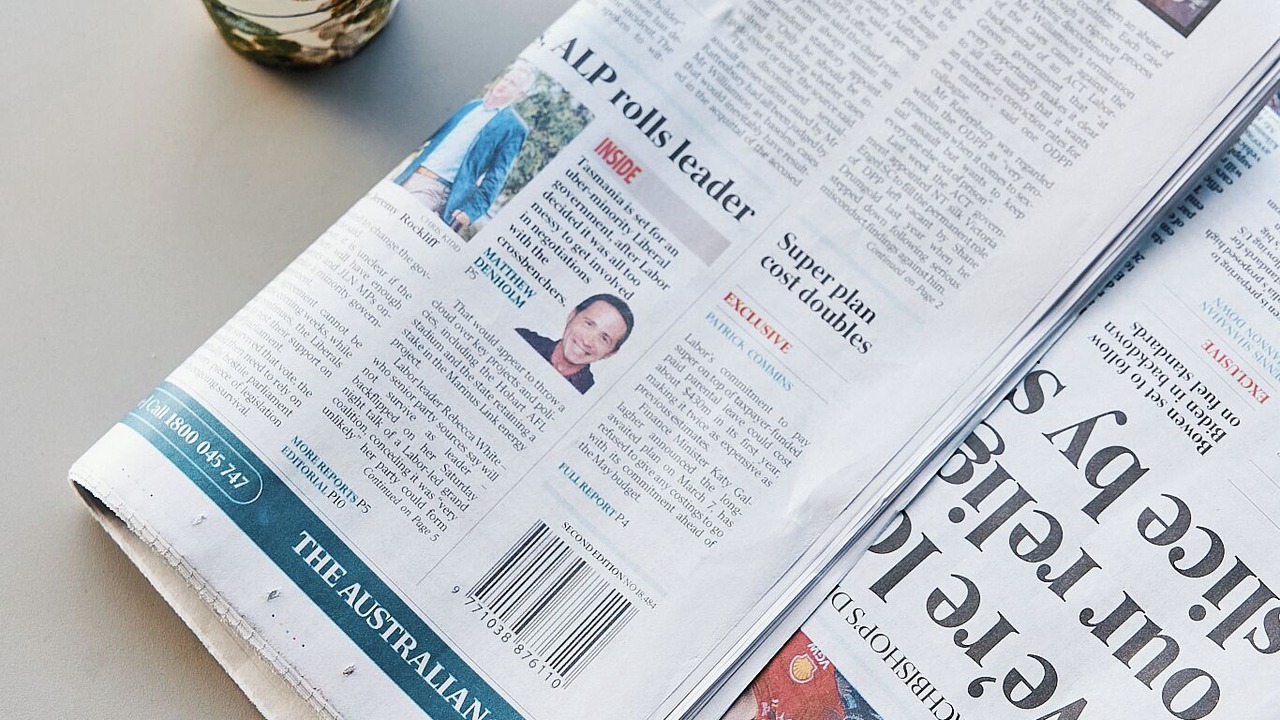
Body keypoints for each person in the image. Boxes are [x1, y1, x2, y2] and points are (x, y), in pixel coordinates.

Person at [394, 64, 534, 232]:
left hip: (437, 189)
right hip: (410, 175)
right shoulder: (470, 106)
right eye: (506, 79)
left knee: (396, 228)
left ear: (521, 94)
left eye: (513, 84)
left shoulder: (513, 126)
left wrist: (473, 210)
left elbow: (497, 174)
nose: (504, 84)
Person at [517, 294, 634, 394]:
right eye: (588, 324)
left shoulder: (589, 393)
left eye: (604, 338)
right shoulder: (523, 339)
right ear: (572, 316)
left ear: (610, 353)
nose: (587, 341)